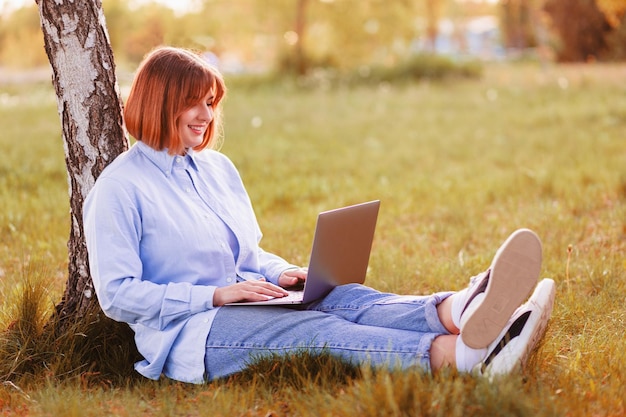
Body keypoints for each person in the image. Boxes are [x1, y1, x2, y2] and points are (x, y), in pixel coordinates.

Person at [83, 46, 556, 384]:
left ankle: (467, 310)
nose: (206, 114)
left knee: (345, 299)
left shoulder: (216, 169)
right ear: (161, 100)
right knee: (321, 330)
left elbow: (247, 253)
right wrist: (215, 295)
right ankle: (467, 358)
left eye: (211, 102)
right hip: (194, 333)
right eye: (195, 101)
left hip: (252, 298)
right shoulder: (120, 188)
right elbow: (118, 296)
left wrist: (283, 272)